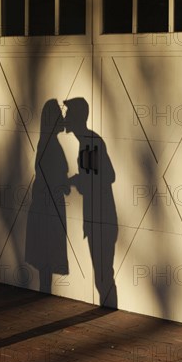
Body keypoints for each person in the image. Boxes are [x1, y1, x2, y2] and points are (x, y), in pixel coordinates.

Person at [64, 98, 118, 308]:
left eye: (68, 113)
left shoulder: (89, 142)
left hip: (100, 216)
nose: (65, 118)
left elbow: (101, 177)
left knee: (103, 273)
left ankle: (108, 318)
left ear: (77, 116)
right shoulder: (87, 141)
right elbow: (94, 175)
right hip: (98, 215)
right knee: (103, 272)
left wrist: (75, 181)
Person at [25, 99, 69, 293]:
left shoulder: (48, 141)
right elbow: (48, 173)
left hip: (47, 200)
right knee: (48, 243)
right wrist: (64, 183)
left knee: (47, 245)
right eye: (58, 114)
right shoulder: (49, 143)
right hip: (48, 201)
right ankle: (45, 289)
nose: (62, 118)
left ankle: (45, 289)